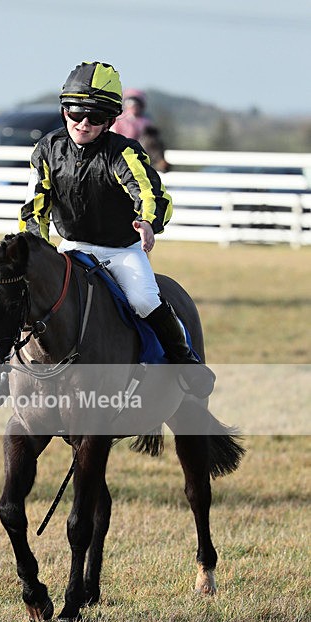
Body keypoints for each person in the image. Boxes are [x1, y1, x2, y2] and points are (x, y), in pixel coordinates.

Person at [19, 61, 214, 398]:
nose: (83, 123)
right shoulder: (47, 150)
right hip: (72, 245)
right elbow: (35, 205)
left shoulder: (124, 152)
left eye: (95, 117)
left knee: (143, 299)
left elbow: (151, 193)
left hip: (121, 250)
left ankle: (184, 360)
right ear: (64, 110)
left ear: (110, 121)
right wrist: (35, 249)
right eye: (76, 113)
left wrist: (148, 222)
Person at [111, 88, 170, 172]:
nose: (133, 106)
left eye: (136, 103)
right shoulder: (118, 121)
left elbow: (153, 142)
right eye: (130, 102)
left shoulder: (146, 122)